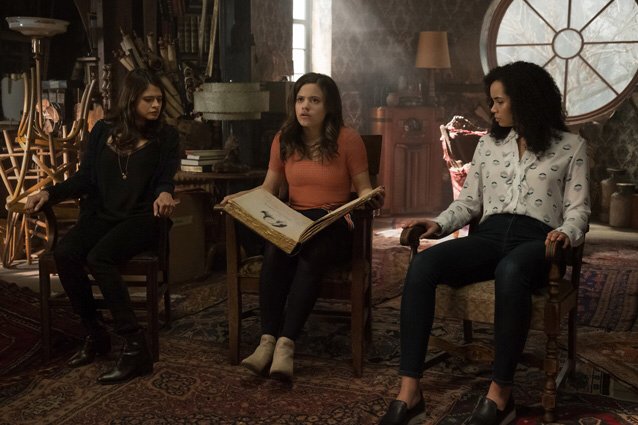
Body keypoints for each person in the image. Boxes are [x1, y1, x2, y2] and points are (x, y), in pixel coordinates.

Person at [378, 61, 590, 425]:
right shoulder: (490, 145)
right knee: (424, 265)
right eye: (492, 101)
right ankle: (409, 393)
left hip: (538, 241)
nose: (492, 109)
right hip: (490, 235)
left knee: (511, 270)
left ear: (525, 100)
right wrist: (437, 224)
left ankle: (500, 395)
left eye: (499, 101)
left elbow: (579, 211)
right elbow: (468, 203)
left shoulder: (571, 147)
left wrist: (565, 234)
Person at [221, 72, 384, 380]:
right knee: (275, 249)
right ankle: (267, 341)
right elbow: (268, 189)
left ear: (329, 106)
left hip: (334, 224)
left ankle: (286, 345)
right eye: (300, 100)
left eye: (314, 100)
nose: (305, 106)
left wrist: (372, 197)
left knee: (312, 252)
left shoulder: (348, 140)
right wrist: (239, 198)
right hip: (294, 223)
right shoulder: (284, 139)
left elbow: (363, 188)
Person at [24, 69, 179, 385]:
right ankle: (95, 333)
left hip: (142, 219)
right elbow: (85, 178)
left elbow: (165, 179)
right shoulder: (102, 131)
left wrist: (165, 193)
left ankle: (135, 345)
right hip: (103, 216)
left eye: (159, 100)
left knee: (99, 257)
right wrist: (49, 193)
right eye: (148, 99)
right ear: (131, 99)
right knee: (66, 253)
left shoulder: (166, 136)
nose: (156, 105)